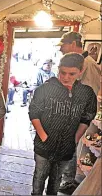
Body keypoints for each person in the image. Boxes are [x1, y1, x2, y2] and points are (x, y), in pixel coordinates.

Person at [29, 53, 97, 195]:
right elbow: (34, 113)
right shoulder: (45, 89)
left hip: (67, 146)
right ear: (58, 69)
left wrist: (75, 139)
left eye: (72, 74)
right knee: (39, 178)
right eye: (63, 73)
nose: (66, 77)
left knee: (56, 180)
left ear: (81, 71)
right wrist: (43, 136)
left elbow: (86, 118)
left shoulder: (86, 93)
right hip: (43, 145)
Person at [57, 31, 101, 194]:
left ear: (74, 44)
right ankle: (68, 179)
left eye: (64, 45)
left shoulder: (87, 64)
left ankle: (70, 181)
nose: (61, 49)